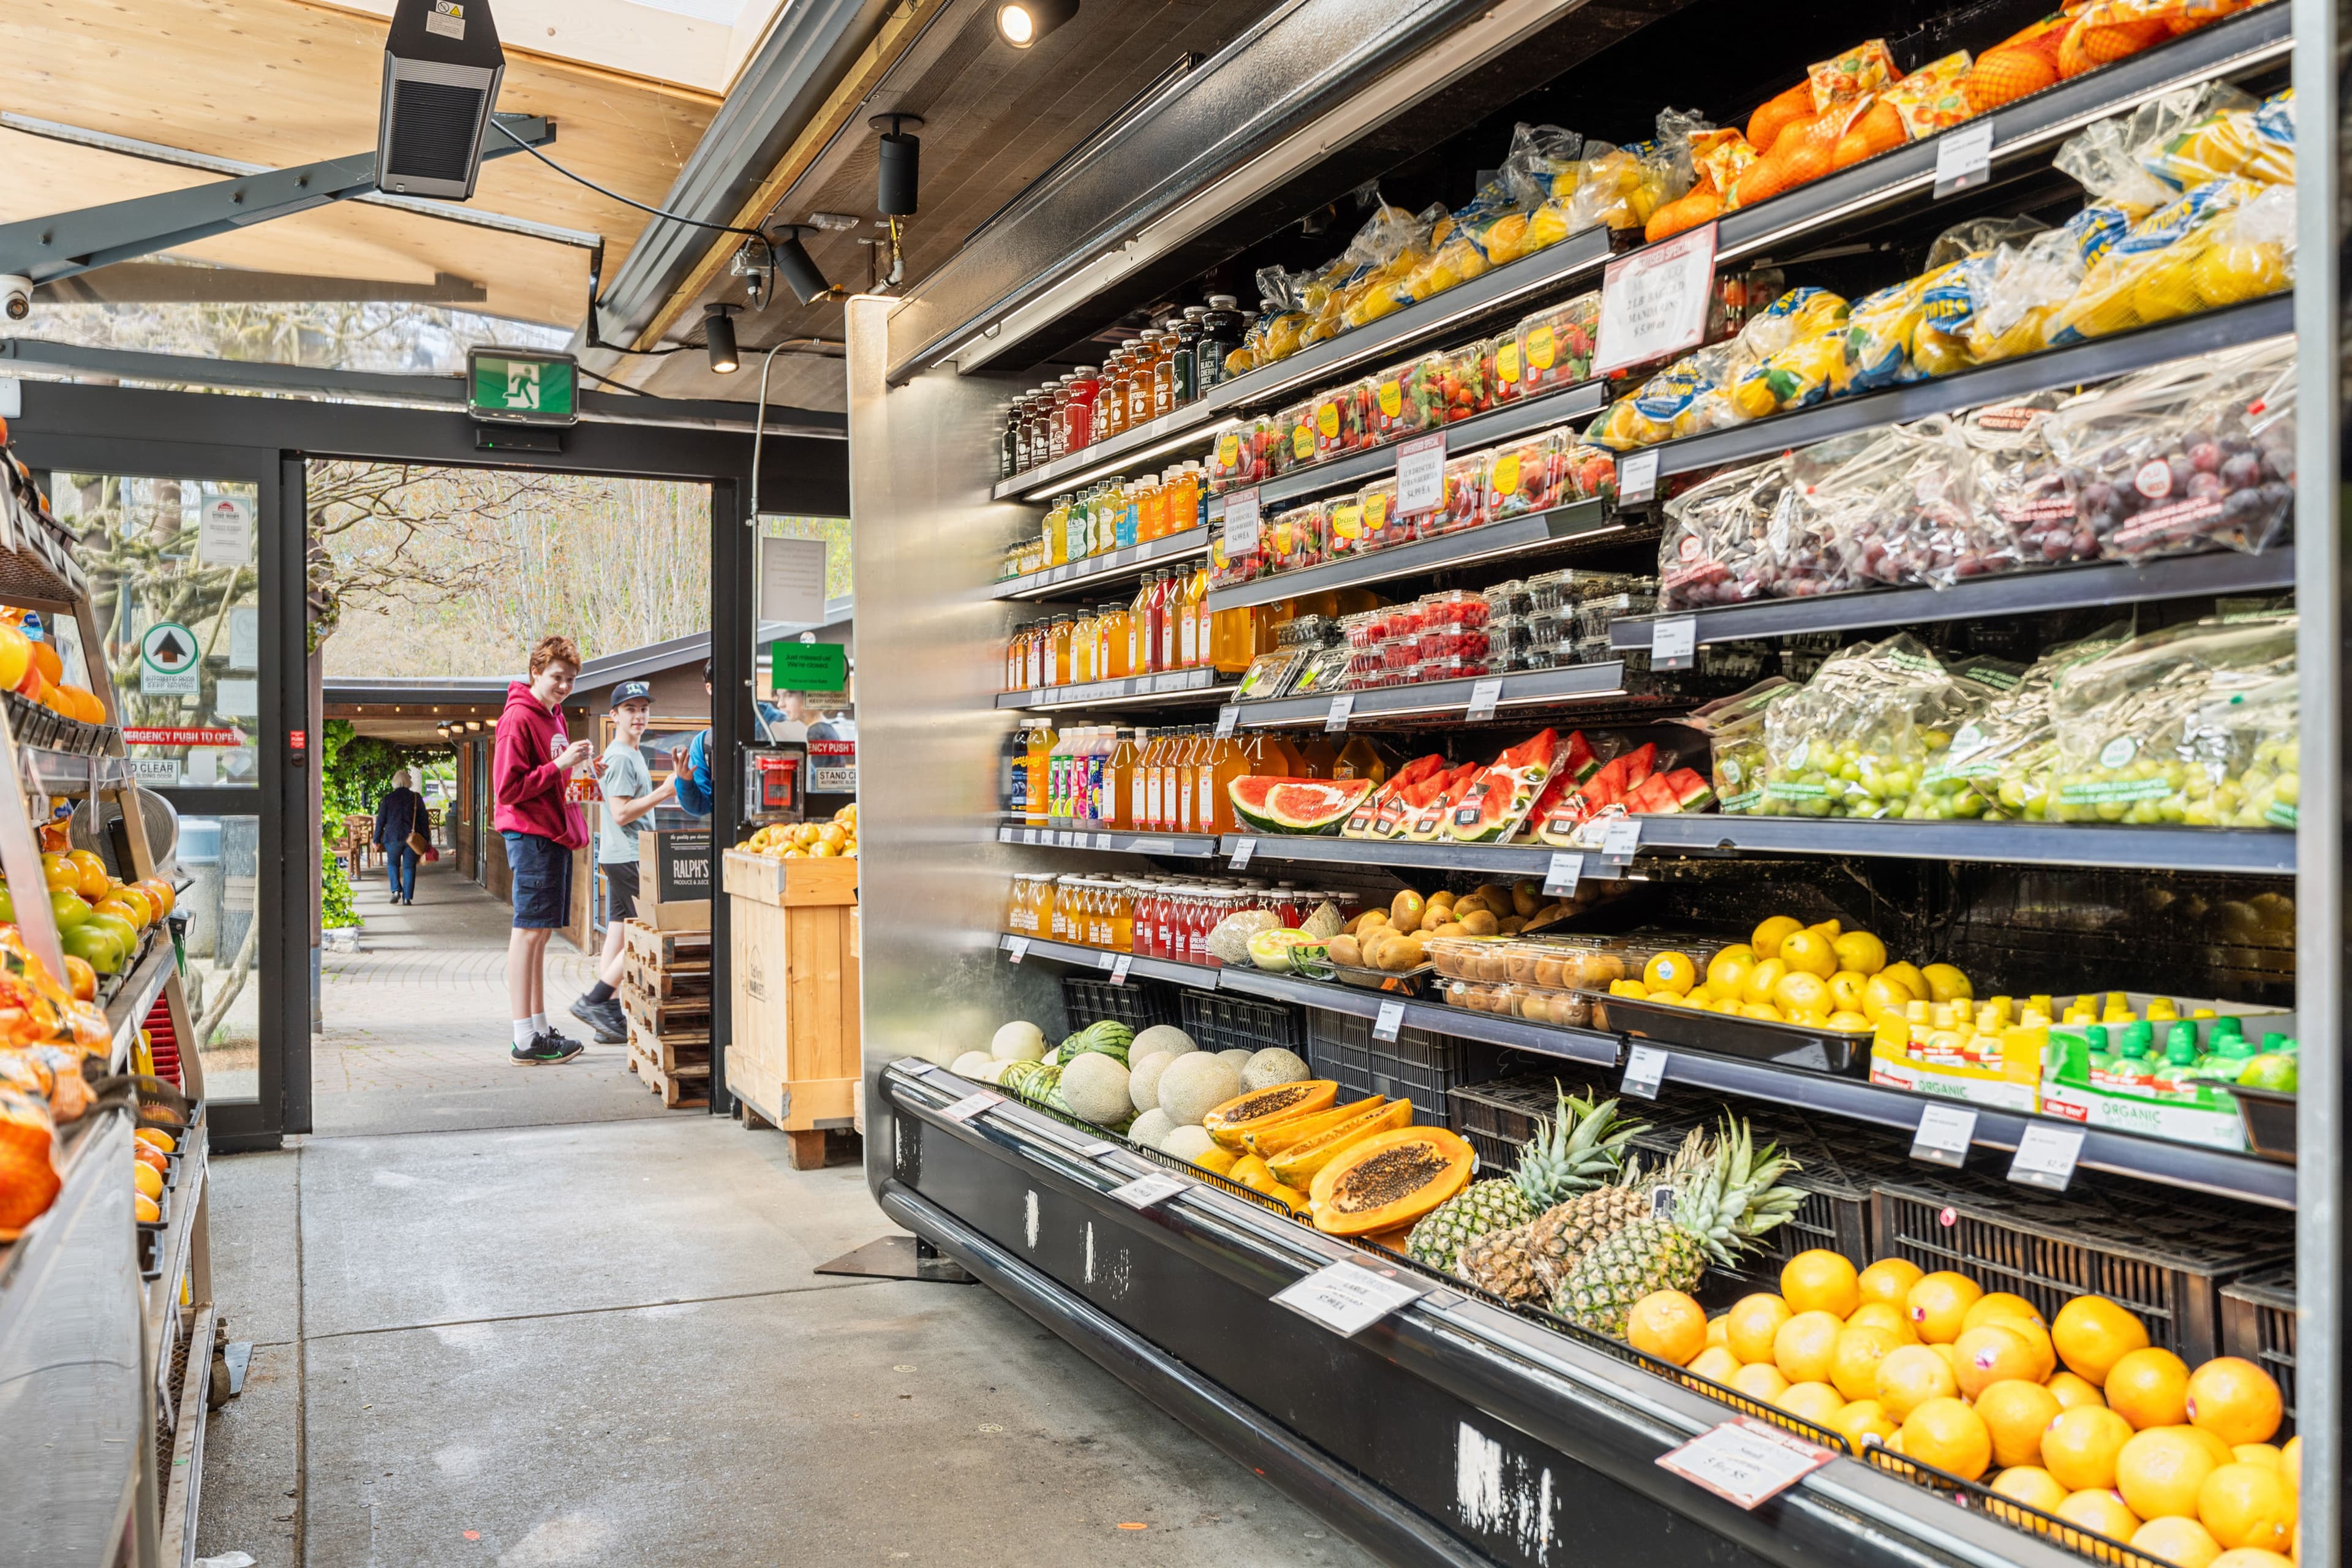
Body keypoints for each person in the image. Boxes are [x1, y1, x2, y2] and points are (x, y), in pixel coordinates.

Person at [493, 636, 593, 1066]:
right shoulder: (517, 718)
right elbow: (508, 789)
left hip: (552, 833)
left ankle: (537, 1029)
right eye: (557, 677)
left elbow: (551, 775)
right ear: (536, 671)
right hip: (531, 834)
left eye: (570, 679)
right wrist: (560, 765)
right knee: (528, 931)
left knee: (541, 932)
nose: (564, 686)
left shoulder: (555, 716)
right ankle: (524, 1038)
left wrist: (582, 768)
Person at [570, 682, 676, 1044]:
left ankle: (607, 1020)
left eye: (644, 708)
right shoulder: (620, 757)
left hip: (621, 856)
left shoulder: (628, 754)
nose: (639, 716)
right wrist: (665, 791)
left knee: (618, 931)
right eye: (631, 709)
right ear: (614, 715)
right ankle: (595, 1001)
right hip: (630, 856)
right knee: (643, 931)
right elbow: (620, 814)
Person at [372, 768, 428, 905]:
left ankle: (396, 890)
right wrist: (426, 840)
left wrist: (376, 840)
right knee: (409, 867)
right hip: (412, 839)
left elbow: (381, 820)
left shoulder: (388, 799)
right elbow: (424, 820)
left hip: (392, 838)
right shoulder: (416, 798)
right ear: (408, 781)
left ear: (395, 782)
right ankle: (407, 898)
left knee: (393, 864)